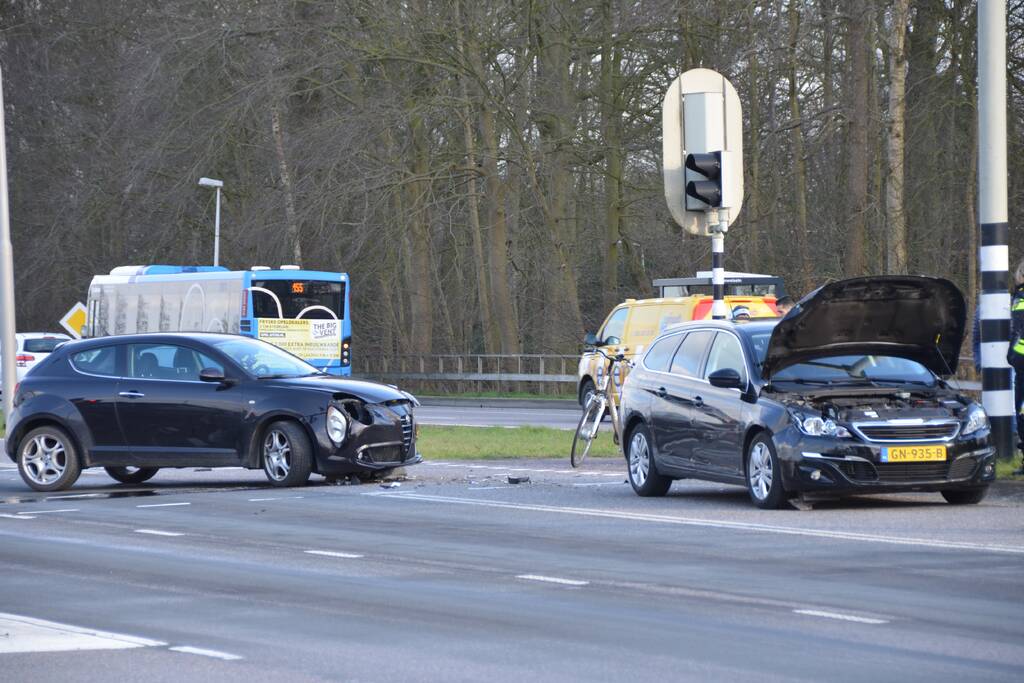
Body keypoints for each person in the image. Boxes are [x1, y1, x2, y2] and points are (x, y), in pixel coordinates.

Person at [1007, 261, 1024, 449]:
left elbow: (1017, 330)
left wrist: (1011, 356)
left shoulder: (1021, 298)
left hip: (1022, 362)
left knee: (1021, 409)